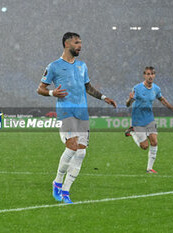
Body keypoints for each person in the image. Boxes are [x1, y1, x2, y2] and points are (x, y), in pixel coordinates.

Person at [37, 32, 117, 203]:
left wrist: (104, 98)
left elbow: (87, 87)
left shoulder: (82, 66)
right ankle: (57, 182)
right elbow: (40, 88)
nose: (80, 46)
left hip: (82, 113)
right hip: (66, 112)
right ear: (67, 44)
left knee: (81, 153)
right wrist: (52, 92)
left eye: (80, 42)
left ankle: (66, 191)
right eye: (76, 43)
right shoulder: (54, 66)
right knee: (72, 146)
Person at [125, 66, 173, 174]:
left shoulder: (156, 89)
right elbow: (127, 105)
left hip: (149, 118)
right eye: (148, 74)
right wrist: (130, 99)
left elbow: (162, 99)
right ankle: (133, 132)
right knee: (144, 146)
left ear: (154, 75)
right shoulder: (137, 88)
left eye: (152, 74)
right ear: (144, 75)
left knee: (154, 141)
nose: (150, 76)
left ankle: (149, 168)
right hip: (138, 119)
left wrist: (172, 109)